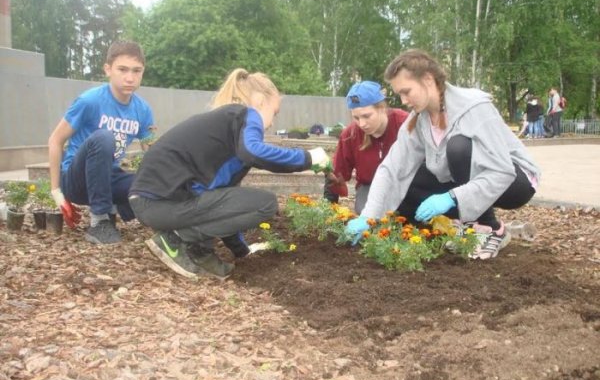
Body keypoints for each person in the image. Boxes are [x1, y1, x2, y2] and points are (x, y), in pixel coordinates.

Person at [128, 68, 330, 280]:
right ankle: (177, 239)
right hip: (161, 202)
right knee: (266, 203)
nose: (271, 124)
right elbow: (253, 151)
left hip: (153, 204)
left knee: (238, 200)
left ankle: (197, 250)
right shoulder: (245, 114)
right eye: (274, 113)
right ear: (260, 101)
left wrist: (241, 251)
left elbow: (225, 206)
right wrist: (308, 158)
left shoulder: (226, 131)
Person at [345, 49, 541, 259]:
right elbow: (392, 168)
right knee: (406, 180)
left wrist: (451, 197)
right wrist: (369, 217)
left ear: (428, 79)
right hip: (471, 180)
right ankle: (462, 225)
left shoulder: (473, 107)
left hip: (515, 180)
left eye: (406, 91)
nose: (403, 101)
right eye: (399, 94)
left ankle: (491, 228)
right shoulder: (419, 120)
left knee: (458, 148)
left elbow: (502, 171)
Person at [48, 40, 156, 244]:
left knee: (153, 183)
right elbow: (55, 140)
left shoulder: (143, 110)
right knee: (105, 137)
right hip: (76, 179)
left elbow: (151, 148)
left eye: (136, 71)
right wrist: (57, 193)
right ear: (108, 69)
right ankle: (99, 221)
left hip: (106, 179)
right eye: (122, 69)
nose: (130, 77)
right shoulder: (89, 101)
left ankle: (112, 210)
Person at [324, 81, 409, 213]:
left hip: (406, 185)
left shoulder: (404, 124)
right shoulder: (350, 135)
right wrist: (327, 210)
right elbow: (337, 174)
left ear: (381, 108)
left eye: (366, 116)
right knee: (369, 220)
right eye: (356, 118)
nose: (362, 124)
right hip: (369, 186)